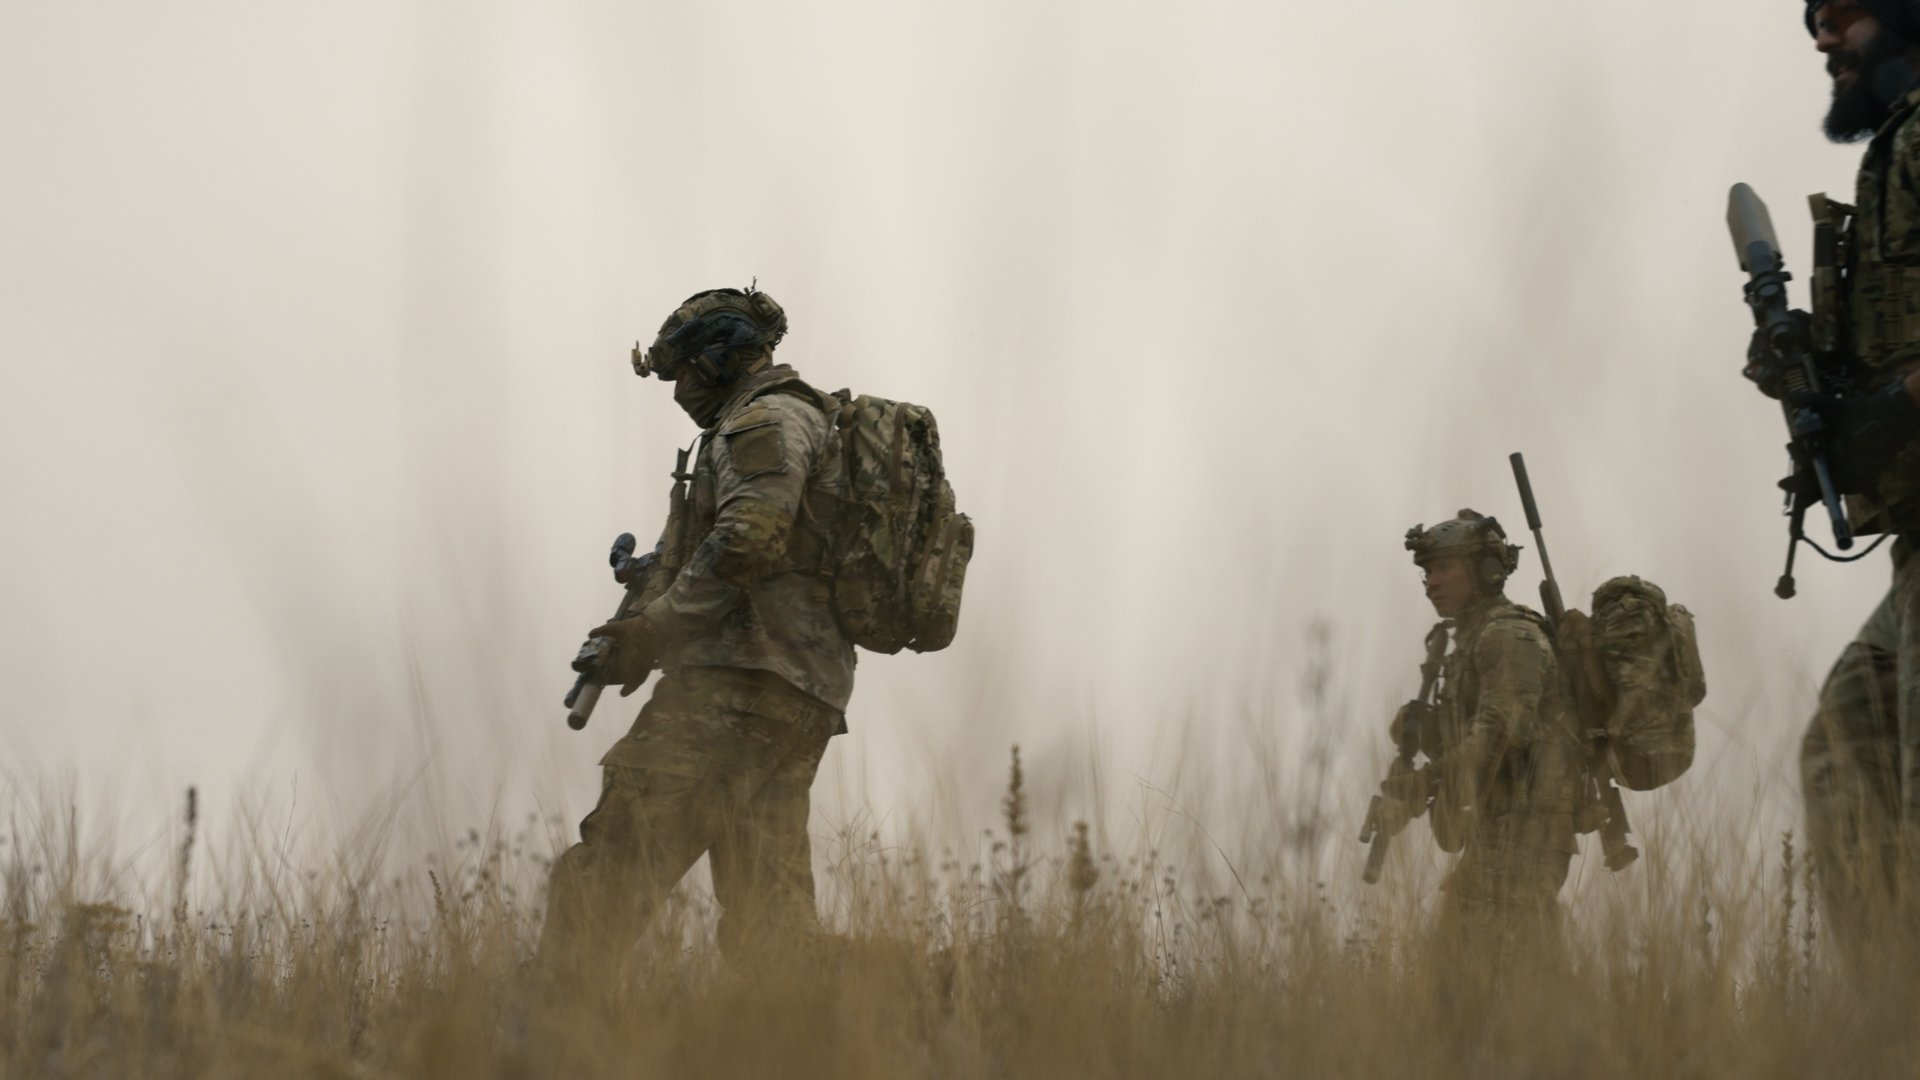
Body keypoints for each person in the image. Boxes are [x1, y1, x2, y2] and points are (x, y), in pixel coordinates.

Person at [538, 285, 854, 971]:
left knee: (608, 877)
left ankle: (542, 1045)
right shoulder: (781, 421)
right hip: (791, 694)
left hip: (734, 688)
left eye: (682, 370)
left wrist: (651, 633)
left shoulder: (762, 421)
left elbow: (747, 540)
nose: (677, 389)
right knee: (773, 938)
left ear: (721, 358)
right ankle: (911, 1013)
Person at [1792, 0, 1920, 957]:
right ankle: (1885, 1027)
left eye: (1840, 15)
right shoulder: (1895, 147)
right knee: (1850, 739)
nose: (1823, 40)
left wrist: (1896, 402)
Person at [1383, 511, 1583, 952]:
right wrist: (1425, 727)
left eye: (1444, 568)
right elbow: (1477, 729)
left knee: (1493, 959)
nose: (1432, 582)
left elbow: (1502, 732)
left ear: (1486, 572)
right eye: (1428, 571)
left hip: (1530, 823)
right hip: (1498, 824)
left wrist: (1426, 781)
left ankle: (1573, 1020)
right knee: (1482, 962)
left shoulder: (1509, 634)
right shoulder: (1470, 640)